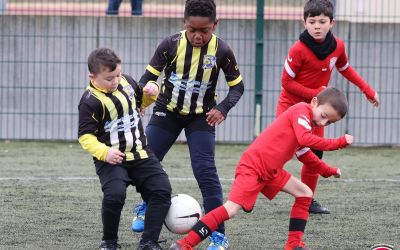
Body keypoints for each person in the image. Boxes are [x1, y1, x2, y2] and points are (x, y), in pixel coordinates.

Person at [169, 87, 354, 250]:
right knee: (231, 210)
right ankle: (185, 244)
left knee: (305, 193)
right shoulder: (301, 110)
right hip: (253, 167)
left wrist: (327, 170)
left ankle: (294, 245)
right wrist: (338, 142)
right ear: (314, 102)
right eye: (323, 116)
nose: (323, 124)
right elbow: (305, 140)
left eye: (329, 123)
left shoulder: (308, 122)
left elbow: (304, 153)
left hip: (271, 171)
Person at [131, 0, 244, 249]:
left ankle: (218, 235)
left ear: (215, 25)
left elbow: (238, 87)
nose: (198, 36)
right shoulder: (170, 45)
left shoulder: (222, 51)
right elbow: (148, 78)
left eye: (205, 30)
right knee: (146, 160)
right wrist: (142, 98)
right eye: (192, 29)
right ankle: (146, 205)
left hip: (201, 118)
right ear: (184, 23)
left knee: (205, 171)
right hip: (167, 112)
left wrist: (222, 108)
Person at [277, 0, 380, 214]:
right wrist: (315, 94)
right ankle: (251, 190)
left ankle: (307, 200)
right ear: (304, 22)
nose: (317, 26)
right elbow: (286, 83)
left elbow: (346, 68)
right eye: (312, 21)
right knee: (279, 155)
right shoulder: (298, 49)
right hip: (291, 108)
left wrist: (367, 90)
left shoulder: (338, 46)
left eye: (322, 21)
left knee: (315, 155)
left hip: (317, 112)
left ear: (331, 23)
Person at [78, 47, 171, 250]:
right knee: (115, 195)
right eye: (110, 78)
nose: (116, 81)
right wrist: (105, 153)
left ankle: (148, 242)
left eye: (118, 75)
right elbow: (85, 137)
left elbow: (141, 103)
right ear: (93, 77)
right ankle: (109, 242)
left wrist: (151, 92)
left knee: (162, 190)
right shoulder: (89, 102)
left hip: (141, 152)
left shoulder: (127, 82)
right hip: (112, 158)